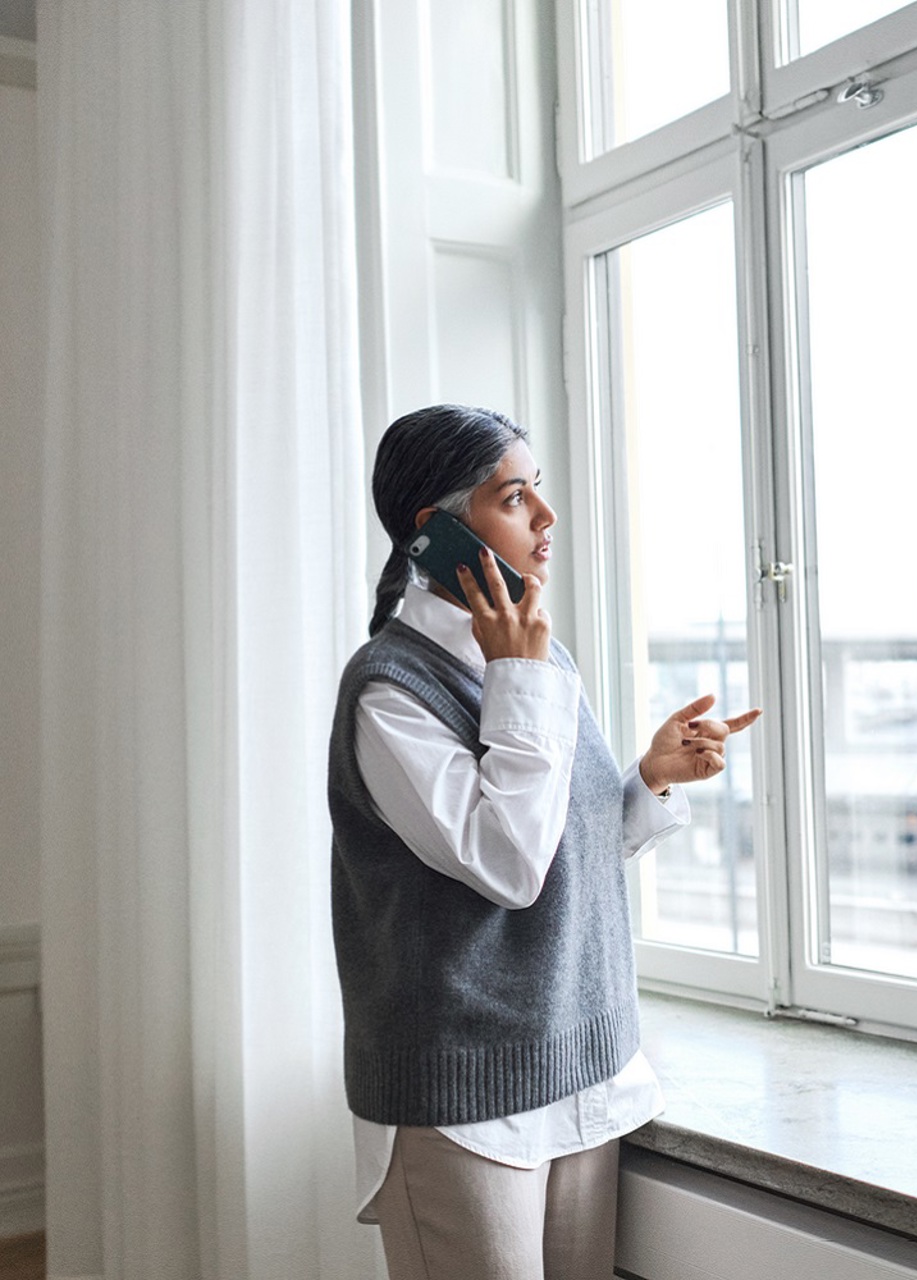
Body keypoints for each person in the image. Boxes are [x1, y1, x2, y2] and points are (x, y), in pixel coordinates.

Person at [327, 404, 759, 1279]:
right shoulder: (391, 690)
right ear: (437, 532)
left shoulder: (539, 662)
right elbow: (510, 869)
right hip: (463, 1097)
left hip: (578, 1065)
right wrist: (517, 677)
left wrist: (648, 779)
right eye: (515, 498)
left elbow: (570, 855)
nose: (546, 519)